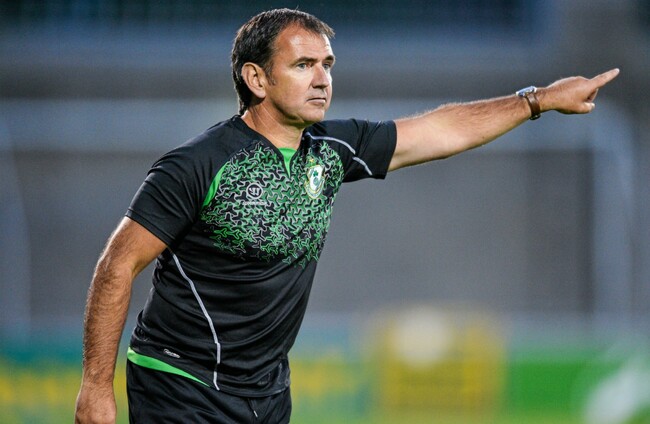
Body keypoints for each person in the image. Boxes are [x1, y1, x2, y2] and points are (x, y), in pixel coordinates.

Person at [74, 8, 619, 424]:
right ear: (257, 79)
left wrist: (538, 99)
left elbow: (441, 129)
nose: (322, 79)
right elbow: (116, 266)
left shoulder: (332, 149)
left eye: (327, 65)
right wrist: (96, 387)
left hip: (266, 393)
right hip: (179, 384)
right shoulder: (197, 164)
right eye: (303, 65)